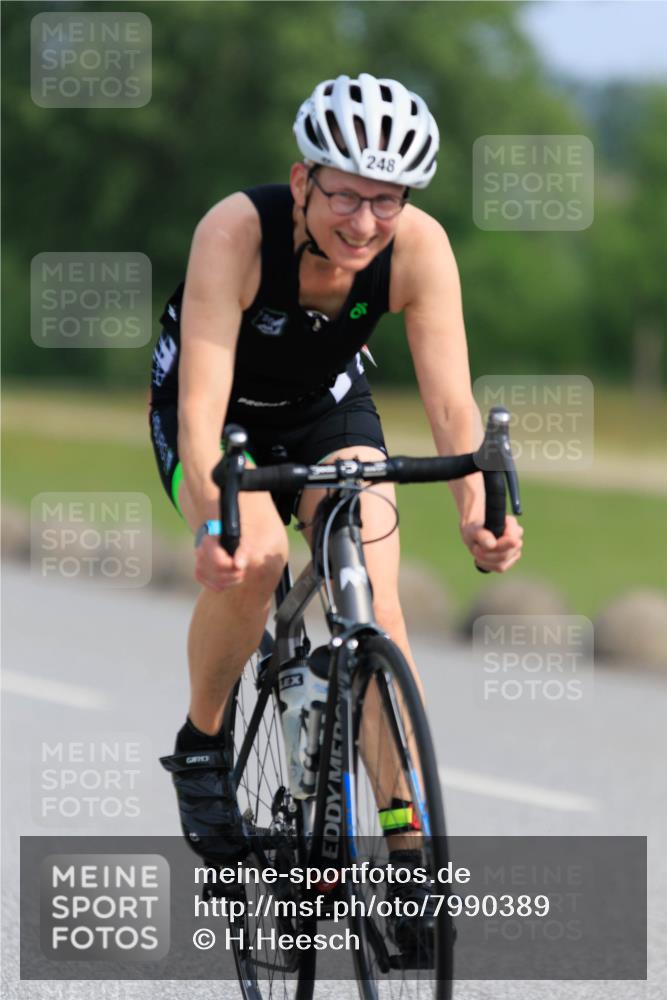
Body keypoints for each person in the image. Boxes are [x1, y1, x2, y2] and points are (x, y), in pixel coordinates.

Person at [151, 72, 522, 889]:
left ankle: (405, 847)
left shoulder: (417, 246)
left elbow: (451, 404)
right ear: (301, 181)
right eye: (345, 198)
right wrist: (218, 525)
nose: (364, 224)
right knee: (255, 561)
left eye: (385, 201)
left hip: (327, 410)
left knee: (377, 606)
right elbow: (202, 413)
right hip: (223, 419)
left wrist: (474, 514)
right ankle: (203, 744)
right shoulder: (237, 233)